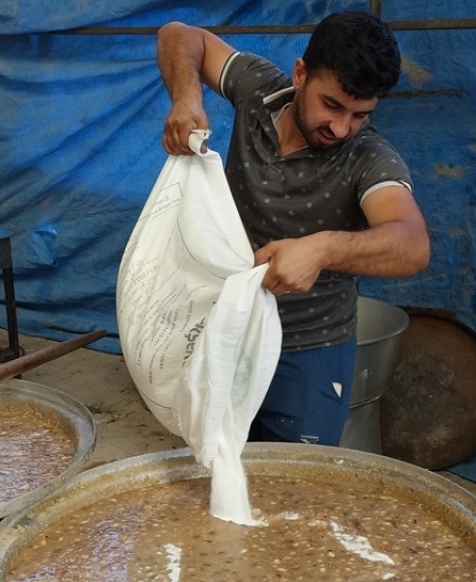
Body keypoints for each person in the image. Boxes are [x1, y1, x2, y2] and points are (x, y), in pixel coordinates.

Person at [156, 11, 429, 446]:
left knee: (293, 492)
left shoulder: (369, 158)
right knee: (210, 464)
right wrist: (187, 98)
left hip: (310, 351)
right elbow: (180, 36)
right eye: (332, 105)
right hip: (225, 328)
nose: (341, 128)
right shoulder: (258, 89)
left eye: (360, 115)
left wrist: (321, 248)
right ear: (301, 74)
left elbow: (412, 244)